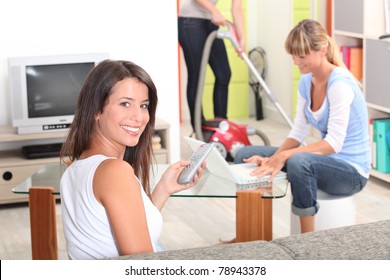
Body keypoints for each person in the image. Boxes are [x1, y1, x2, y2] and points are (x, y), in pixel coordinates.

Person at [234, 19, 370, 233]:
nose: (296, 61)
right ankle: (250, 233)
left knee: (299, 160)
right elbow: (298, 132)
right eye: (293, 55)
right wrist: (274, 158)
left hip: (351, 173)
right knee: (245, 153)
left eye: (302, 55)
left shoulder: (340, 85)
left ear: (322, 50)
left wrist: (285, 156)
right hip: (326, 162)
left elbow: (333, 143)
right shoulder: (307, 81)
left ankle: (306, 241)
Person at [59, 59, 205, 259]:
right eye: (125, 104)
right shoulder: (114, 171)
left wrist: (164, 188)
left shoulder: (75, 168)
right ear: (96, 110)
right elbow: (140, 264)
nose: (139, 116)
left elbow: (123, 227)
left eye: (144, 105)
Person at [178, 0, 245, 131]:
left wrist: (242, 38)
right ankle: (199, 129)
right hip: (190, 21)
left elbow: (237, 8)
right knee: (196, 76)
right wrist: (214, 11)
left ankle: (221, 127)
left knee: (224, 74)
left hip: (211, 22)